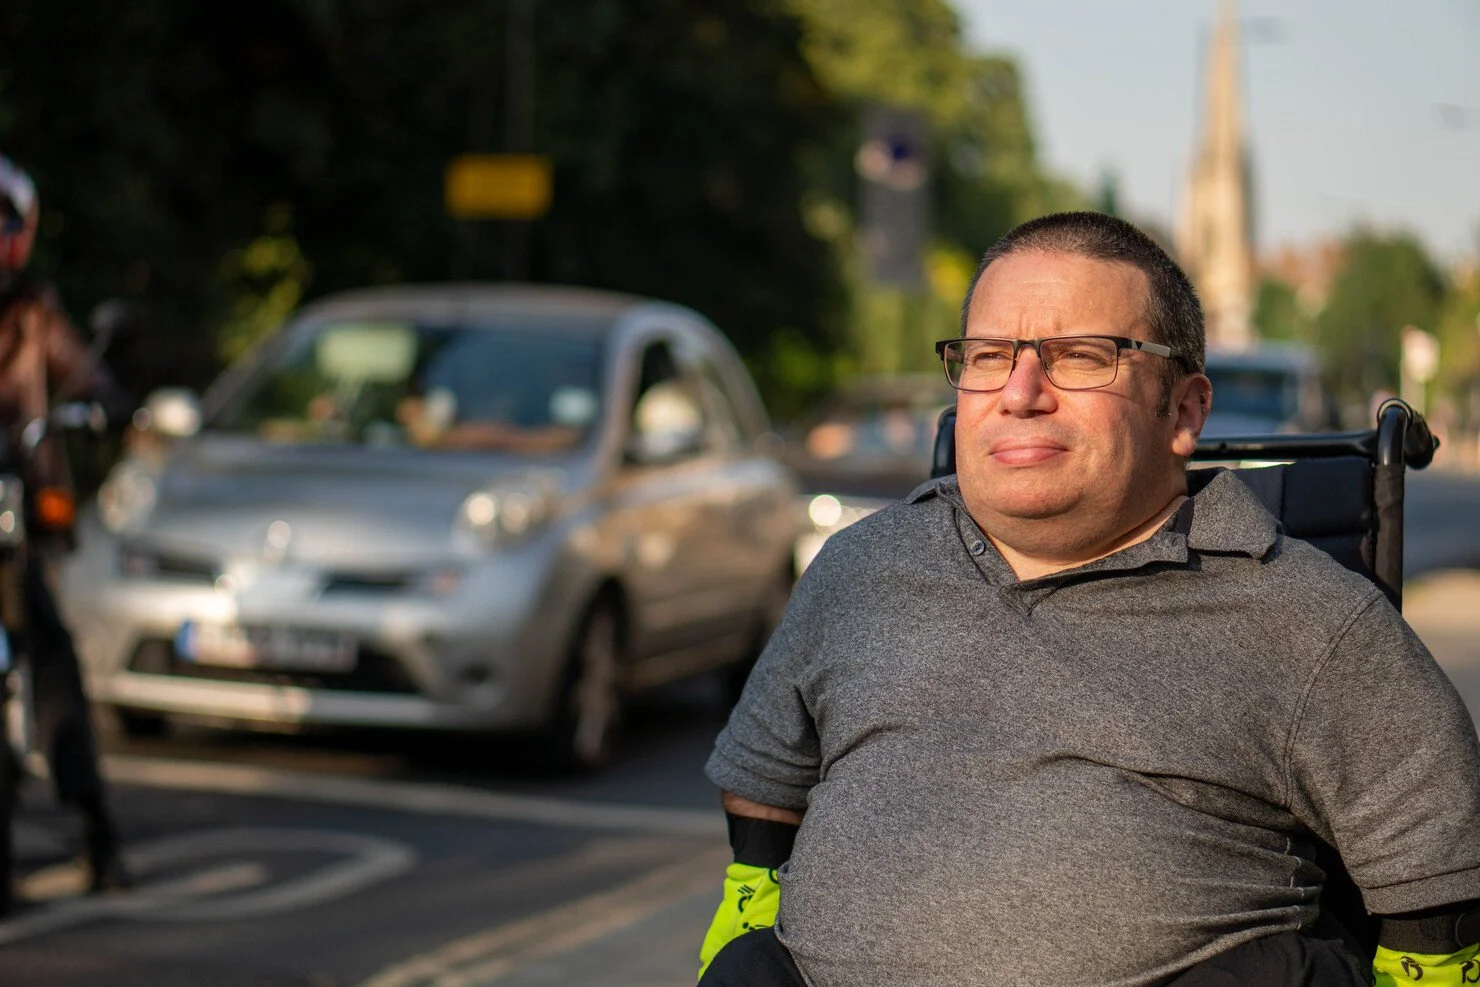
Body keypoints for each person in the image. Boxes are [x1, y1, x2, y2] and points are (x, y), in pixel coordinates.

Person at [697, 212, 1480, 986]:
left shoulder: (1313, 622)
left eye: (1079, 356)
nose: (1020, 392)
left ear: (1183, 411)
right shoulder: (858, 570)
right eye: (989, 355)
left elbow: (1441, 885)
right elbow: (764, 786)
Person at [0, 153, 131, 895]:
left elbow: (79, 366)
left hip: (19, 507)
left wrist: (106, 398)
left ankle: (95, 824)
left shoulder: (34, 309)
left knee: (49, 647)